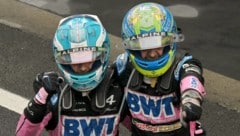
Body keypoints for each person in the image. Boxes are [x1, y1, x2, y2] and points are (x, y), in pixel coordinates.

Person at [16, 14, 128, 136]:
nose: (83, 67)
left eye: (88, 58)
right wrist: (38, 104)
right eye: (75, 61)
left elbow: (140, 126)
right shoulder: (55, 95)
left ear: (102, 55)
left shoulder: (117, 90)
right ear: (64, 61)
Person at [116, 2, 206, 136]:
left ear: (171, 39)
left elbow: (192, 76)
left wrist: (191, 99)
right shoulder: (123, 67)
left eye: (158, 43)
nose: (152, 53)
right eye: (144, 46)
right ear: (131, 46)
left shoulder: (183, 64)